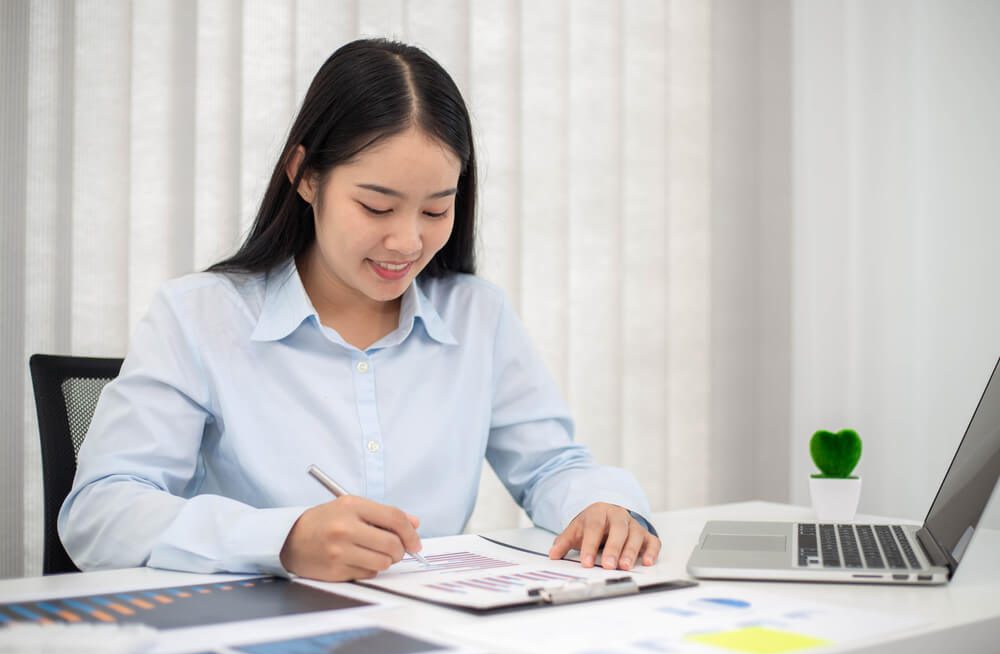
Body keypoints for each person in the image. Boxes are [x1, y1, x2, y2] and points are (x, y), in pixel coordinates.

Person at [59, 38, 660, 582]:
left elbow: (551, 464)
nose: (407, 242)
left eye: (434, 211)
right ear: (306, 177)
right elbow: (101, 510)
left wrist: (597, 504)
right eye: (376, 207)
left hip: (439, 631)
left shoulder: (478, 314)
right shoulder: (199, 317)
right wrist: (284, 539)